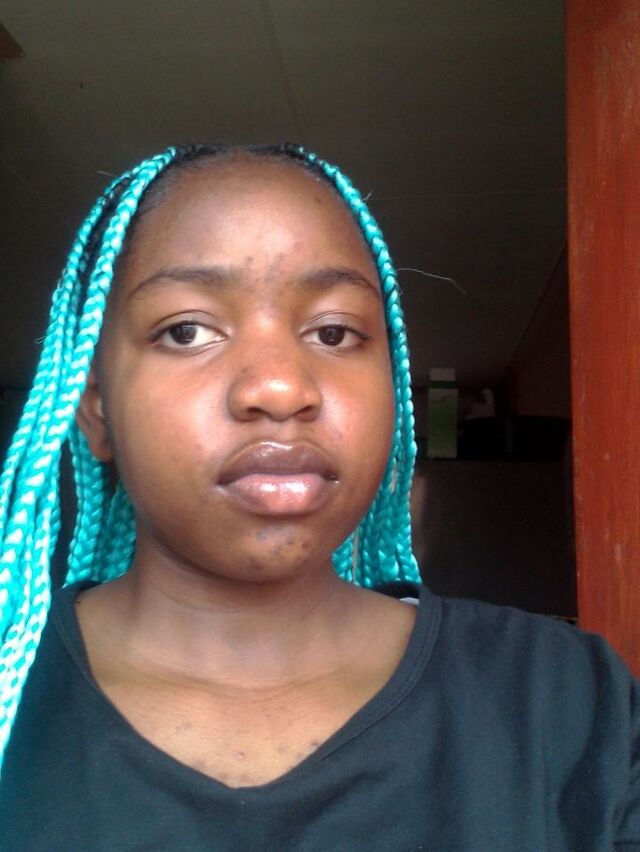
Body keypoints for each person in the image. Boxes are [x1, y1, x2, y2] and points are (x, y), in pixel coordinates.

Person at [0, 143, 637, 851]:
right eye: (187, 331)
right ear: (93, 407)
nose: (280, 388)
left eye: (334, 332)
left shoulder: (564, 699)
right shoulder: (10, 692)